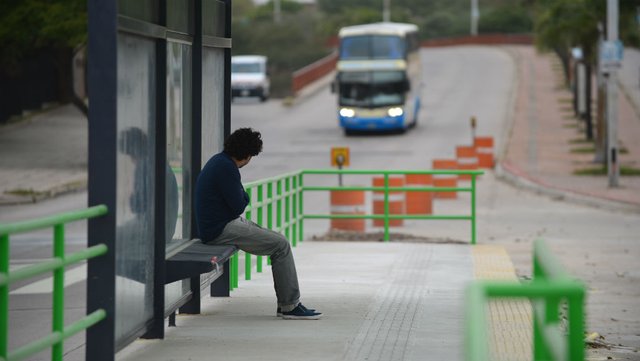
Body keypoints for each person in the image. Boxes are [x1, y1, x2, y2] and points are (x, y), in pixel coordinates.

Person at [195, 128, 322, 320]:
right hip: (220, 229)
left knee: (277, 240)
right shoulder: (227, 168)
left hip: (219, 224)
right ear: (247, 155)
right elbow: (239, 204)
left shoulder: (218, 161)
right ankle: (289, 306)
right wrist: (242, 194)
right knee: (281, 244)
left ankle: (286, 304)